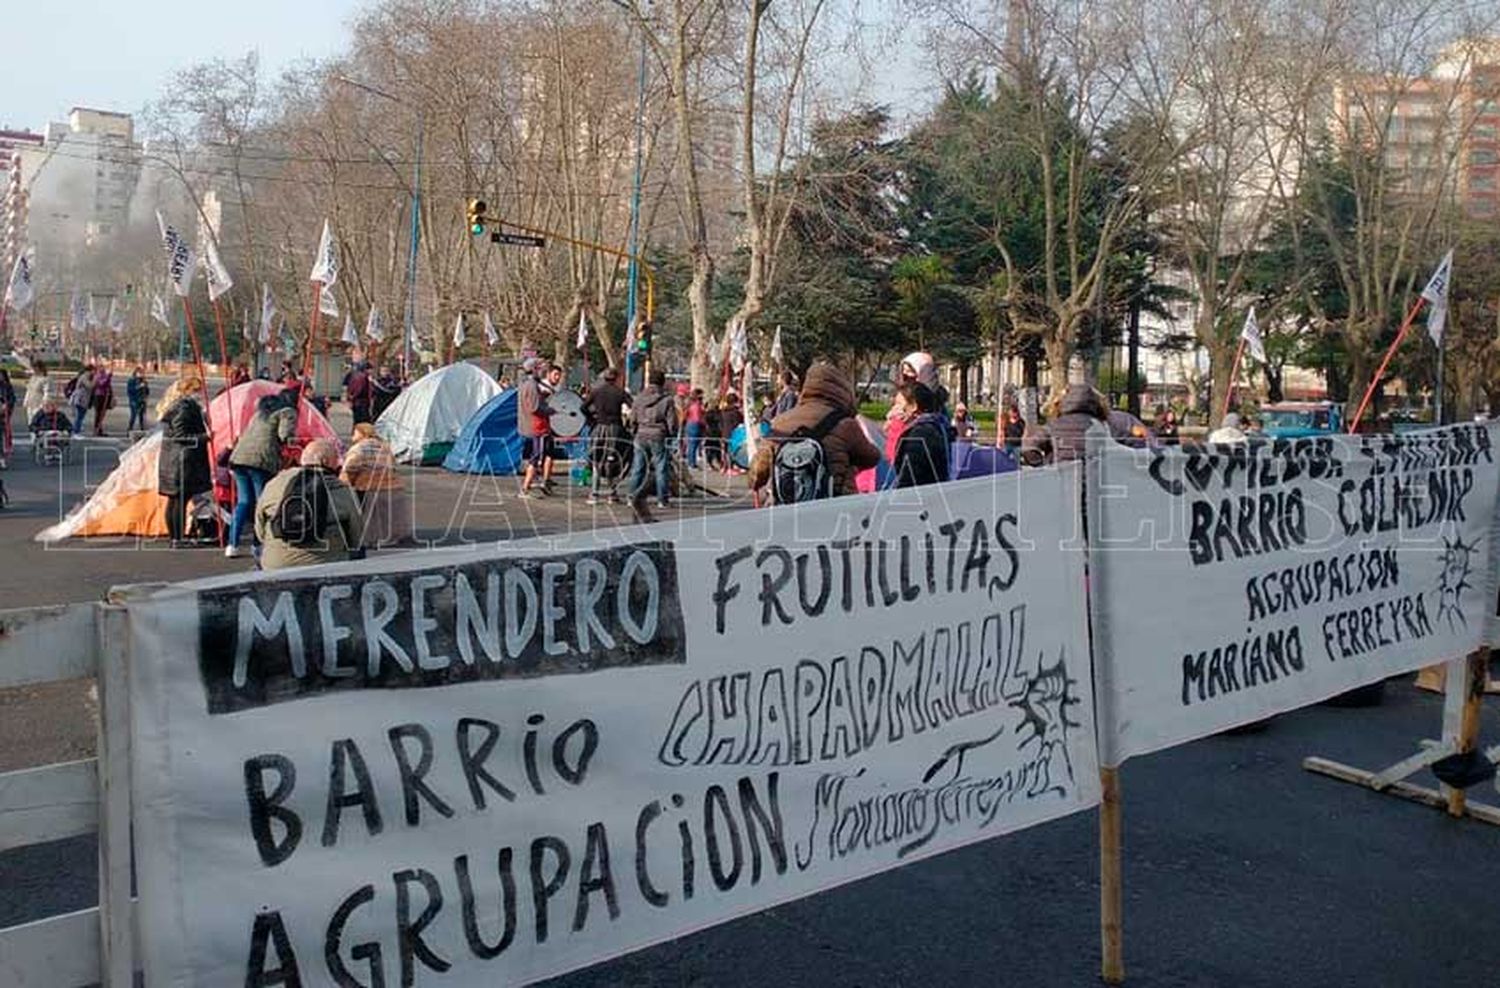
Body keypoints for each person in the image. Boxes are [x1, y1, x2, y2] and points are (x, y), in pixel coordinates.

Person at [749, 361, 880, 502]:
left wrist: (754, 483)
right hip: (834, 504)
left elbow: (759, 468)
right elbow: (871, 458)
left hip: (788, 506)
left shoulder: (780, 421)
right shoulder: (846, 425)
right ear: (842, 390)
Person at [255, 439, 365, 571]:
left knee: (261, 549)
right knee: (359, 552)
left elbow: (259, 530)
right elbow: (357, 537)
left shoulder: (274, 484)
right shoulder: (343, 491)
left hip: (275, 565)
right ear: (327, 462)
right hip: (328, 566)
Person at [226, 389, 298, 557]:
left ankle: (232, 544)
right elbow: (284, 435)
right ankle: (258, 544)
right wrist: (293, 437)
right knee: (262, 502)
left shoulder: (260, 413)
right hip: (261, 460)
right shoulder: (287, 412)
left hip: (239, 457)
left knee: (243, 502)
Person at [156, 377, 212, 547]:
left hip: (174, 460)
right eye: (198, 390)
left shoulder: (177, 407)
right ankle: (177, 538)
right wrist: (204, 437)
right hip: (182, 461)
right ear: (189, 391)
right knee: (179, 501)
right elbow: (180, 436)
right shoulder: (184, 408)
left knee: (175, 501)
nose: (201, 394)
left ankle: (175, 537)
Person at [341, 422, 412, 547]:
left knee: (367, 516)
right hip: (393, 486)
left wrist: (343, 483)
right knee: (387, 517)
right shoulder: (384, 447)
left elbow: (350, 468)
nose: (352, 436)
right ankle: (391, 537)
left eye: (355, 432)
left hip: (369, 487)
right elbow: (393, 466)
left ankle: (369, 539)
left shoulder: (359, 448)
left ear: (362, 433)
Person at [627, 369, 677, 520]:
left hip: (641, 435)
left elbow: (632, 419)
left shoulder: (639, 398)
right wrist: (672, 433)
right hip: (658, 435)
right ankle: (662, 499)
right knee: (661, 467)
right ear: (662, 382)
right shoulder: (667, 399)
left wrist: (634, 430)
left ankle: (632, 497)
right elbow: (672, 422)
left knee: (638, 468)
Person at [583, 366, 631, 504]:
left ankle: (594, 493)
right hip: (616, 429)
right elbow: (632, 406)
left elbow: (583, 407)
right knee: (613, 460)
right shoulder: (620, 393)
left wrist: (592, 420)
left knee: (597, 460)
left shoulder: (596, 392)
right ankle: (612, 493)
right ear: (616, 378)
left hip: (599, 427)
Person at [893, 382, 952, 488]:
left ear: (914, 406)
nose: (894, 410)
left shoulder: (919, 435)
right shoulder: (937, 426)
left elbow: (909, 477)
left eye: (898, 404)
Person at [516, 357, 554, 498]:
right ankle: (525, 488)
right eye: (540, 368)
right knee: (536, 457)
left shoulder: (526, 384)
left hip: (532, 425)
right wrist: (549, 410)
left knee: (536, 456)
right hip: (537, 426)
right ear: (534, 369)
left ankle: (531, 485)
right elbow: (534, 407)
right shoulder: (532, 385)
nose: (542, 371)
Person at [1047, 384, 1109, 464]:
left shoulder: (1053, 426)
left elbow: (1032, 444)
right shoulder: (1103, 426)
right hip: (1097, 473)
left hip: (1061, 473)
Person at [719, 392, 744, 475]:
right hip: (733, 433)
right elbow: (738, 423)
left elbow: (721, 423)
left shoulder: (723, 411)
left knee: (724, 451)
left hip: (724, 433)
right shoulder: (735, 412)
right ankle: (730, 468)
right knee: (731, 452)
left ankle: (723, 467)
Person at [682, 388, 706, 468]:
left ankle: (691, 461)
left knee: (691, 444)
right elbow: (697, 418)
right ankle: (691, 463)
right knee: (693, 444)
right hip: (694, 425)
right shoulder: (696, 406)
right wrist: (703, 423)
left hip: (689, 423)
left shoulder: (690, 404)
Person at [67, 364, 94, 435]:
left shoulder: (86, 377)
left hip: (83, 399)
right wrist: (95, 380)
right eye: (93, 371)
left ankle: (77, 429)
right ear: (90, 370)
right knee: (79, 416)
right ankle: (76, 431)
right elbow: (89, 386)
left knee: (80, 416)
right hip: (80, 399)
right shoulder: (84, 377)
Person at [90, 366, 114, 437]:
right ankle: (96, 430)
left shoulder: (105, 375)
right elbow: (101, 384)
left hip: (105, 396)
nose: (102, 369)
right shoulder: (97, 376)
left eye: (103, 368)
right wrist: (108, 378)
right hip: (98, 396)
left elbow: (108, 386)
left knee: (102, 414)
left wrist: (111, 395)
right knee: (98, 414)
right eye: (101, 368)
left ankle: (100, 429)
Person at [126, 367, 150, 433]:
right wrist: (139, 387)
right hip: (134, 400)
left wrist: (146, 396)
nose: (141, 374)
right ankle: (130, 429)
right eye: (139, 373)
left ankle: (142, 430)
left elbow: (147, 391)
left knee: (141, 416)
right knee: (133, 415)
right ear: (136, 373)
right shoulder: (132, 380)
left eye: (142, 373)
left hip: (142, 400)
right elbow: (129, 391)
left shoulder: (144, 381)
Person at [0, 368, 15, 461]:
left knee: (6, 429)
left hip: (4, 411)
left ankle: (8, 445)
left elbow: (12, 398)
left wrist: (7, 405)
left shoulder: (7, 386)